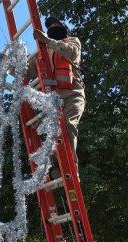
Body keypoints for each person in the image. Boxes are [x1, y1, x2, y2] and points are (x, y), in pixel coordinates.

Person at [28, 16, 86, 174]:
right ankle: (53, 167)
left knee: (67, 126)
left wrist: (48, 41)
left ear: (64, 28)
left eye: (56, 26)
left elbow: (71, 52)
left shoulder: (72, 41)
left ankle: (72, 169)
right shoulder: (42, 51)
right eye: (50, 27)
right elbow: (26, 71)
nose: (53, 28)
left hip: (72, 95)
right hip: (52, 101)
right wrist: (8, 63)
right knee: (41, 129)